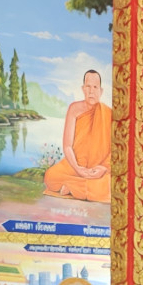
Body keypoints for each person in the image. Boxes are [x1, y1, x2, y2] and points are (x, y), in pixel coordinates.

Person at [42, 69, 111, 203]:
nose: (91, 91)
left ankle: (71, 186)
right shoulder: (74, 109)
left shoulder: (108, 114)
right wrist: (78, 169)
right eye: (88, 87)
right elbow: (67, 146)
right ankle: (81, 186)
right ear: (83, 88)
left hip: (98, 168)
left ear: (101, 91)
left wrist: (103, 168)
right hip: (75, 165)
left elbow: (115, 150)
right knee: (50, 176)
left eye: (95, 87)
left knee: (110, 184)